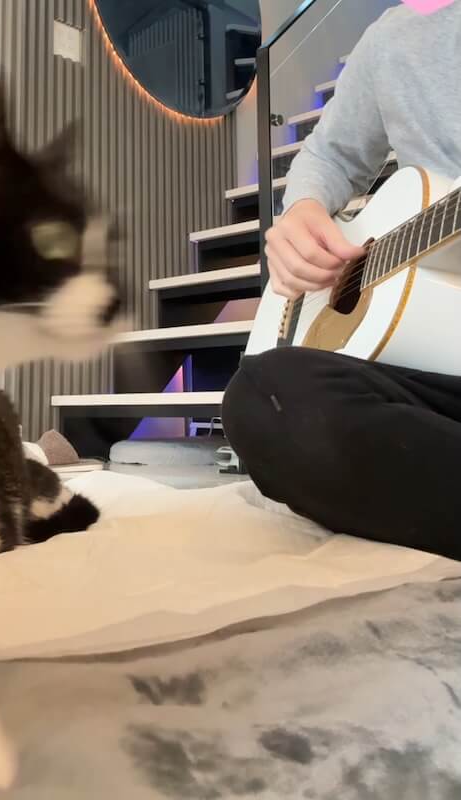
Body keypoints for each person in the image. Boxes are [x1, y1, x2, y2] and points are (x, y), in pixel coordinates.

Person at [222, 2, 461, 560]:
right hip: (438, 364)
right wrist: (302, 210)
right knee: (265, 398)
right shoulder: (392, 36)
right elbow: (329, 155)